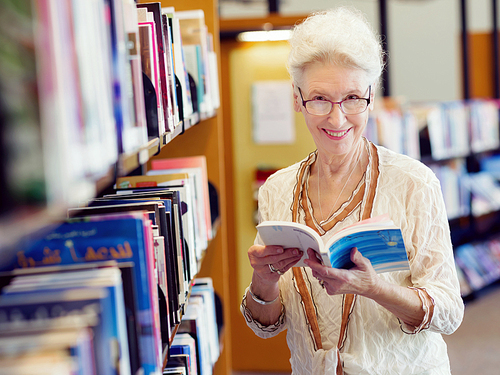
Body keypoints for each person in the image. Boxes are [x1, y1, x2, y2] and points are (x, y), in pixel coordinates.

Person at [240, 6, 464, 375]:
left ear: (371, 97)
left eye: (352, 98)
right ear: (297, 99)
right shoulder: (276, 190)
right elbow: (266, 325)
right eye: (320, 98)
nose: (337, 117)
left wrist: (375, 288)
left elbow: (450, 313)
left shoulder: (414, 183)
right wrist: (263, 281)